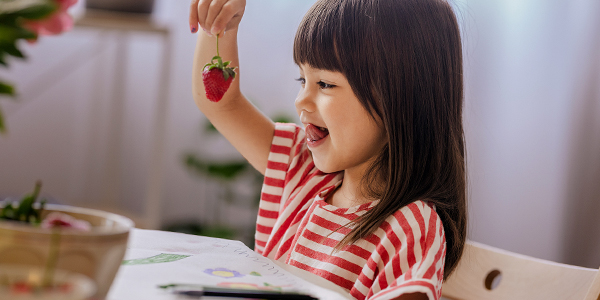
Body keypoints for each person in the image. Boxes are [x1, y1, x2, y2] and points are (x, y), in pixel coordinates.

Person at [188, 0, 467, 299]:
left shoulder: (411, 228)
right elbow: (221, 103)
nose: (300, 101)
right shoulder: (302, 170)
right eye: (302, 79)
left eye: (324, 84)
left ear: (400, 99)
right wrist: (220, 28)